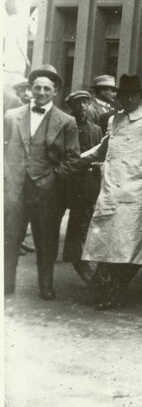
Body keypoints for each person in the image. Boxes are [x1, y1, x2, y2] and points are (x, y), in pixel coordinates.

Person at [81, 74, 142, 310]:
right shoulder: (115, 120)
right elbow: (105, 147)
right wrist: (80, 159)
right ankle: (106, 289)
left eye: (132, 95)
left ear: (140, 96)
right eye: (123, 95)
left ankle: (114, 291)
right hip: (111, 189)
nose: (126, 99)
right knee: (108, 242)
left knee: (128, 244)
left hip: (135, 192)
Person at [3, 64, 81, 299]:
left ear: (54, 91)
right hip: (15, 188)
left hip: (47, 192)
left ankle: (45, 285)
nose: (41, 92)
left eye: (46, 89)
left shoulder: (66, 121)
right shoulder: (11, 116)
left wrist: (51, 179)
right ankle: (6, 284)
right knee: (9, 237)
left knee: (46, 241)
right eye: (36, 88)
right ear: (30, 89)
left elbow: (73, 159)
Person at [62, 90, 103, 264]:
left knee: (82, 214)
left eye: (85, 102)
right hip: (67, 177)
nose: (82, 106)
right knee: (57, 214)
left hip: (86, 178)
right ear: (71, 106)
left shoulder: (96, 129)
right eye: (78, 103)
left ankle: (73, 253)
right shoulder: (65, 126)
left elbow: (100, 153)